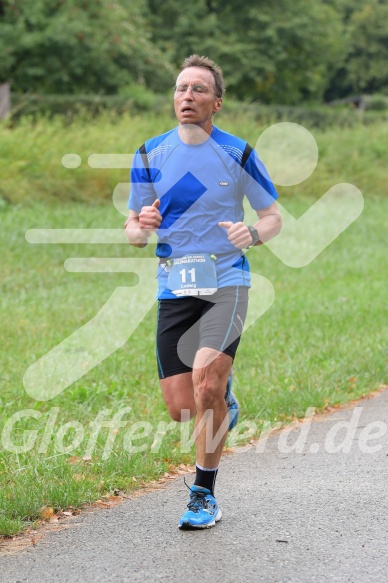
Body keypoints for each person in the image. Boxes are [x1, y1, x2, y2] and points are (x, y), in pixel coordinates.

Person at [125, 54, 281, 529]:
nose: (186, 97)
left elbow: (273, 216)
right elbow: (133, 229)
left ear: (217, 101)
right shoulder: (151, 153)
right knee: (182, 408)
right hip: (174, 283)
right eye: (180, 88)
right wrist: (142, 224)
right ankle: (223, 401)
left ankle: (203, 495)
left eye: (197, 89)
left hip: (226, 280)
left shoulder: (238, 153)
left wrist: (251, 234)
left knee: (206, 383)